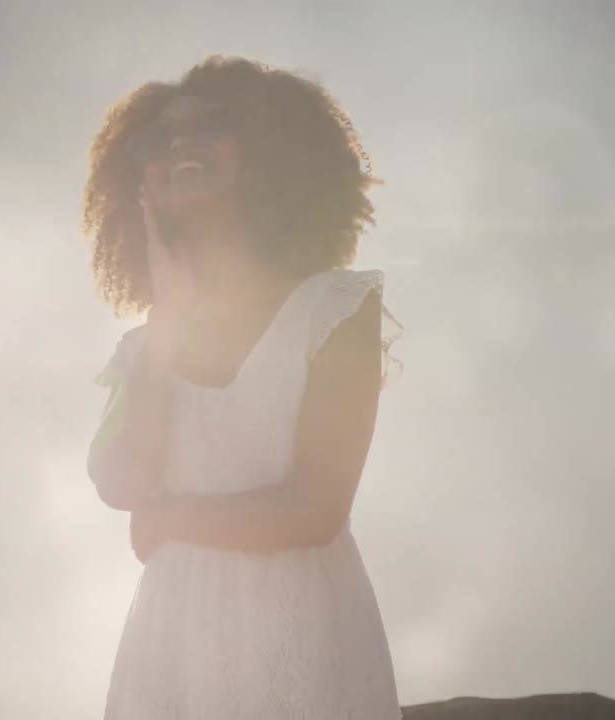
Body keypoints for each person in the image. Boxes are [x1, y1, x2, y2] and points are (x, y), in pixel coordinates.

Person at [83, 55, 402, 720]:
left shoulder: (336, 308)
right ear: (139, 186)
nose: (179, 146)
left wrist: (174, 522)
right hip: (172, 647)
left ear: (267, 152)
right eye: (157, 141)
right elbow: (121, 484)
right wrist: (167, 328)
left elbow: (316, 510)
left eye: (208, 126)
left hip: (303, 637)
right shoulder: (143, 350)